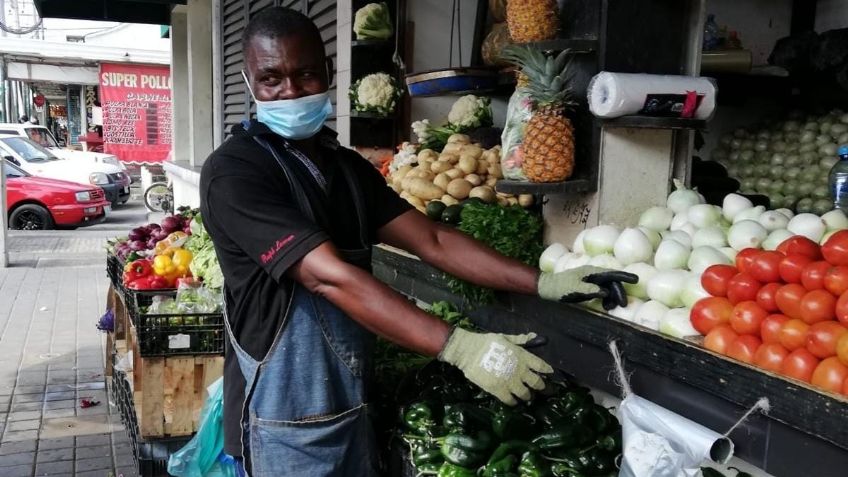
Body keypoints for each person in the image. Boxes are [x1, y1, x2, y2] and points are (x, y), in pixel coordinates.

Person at [199, 7, 635, 476]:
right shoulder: (236, 173)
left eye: (304, 75)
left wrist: (543, 282)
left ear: (327, 73)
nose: (290, 91)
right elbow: (330, 279)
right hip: (283, 418)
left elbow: (432, 239)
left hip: (351, 401)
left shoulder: (345, 168)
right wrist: (461, 348)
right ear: (249, 82)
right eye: (271, 80)